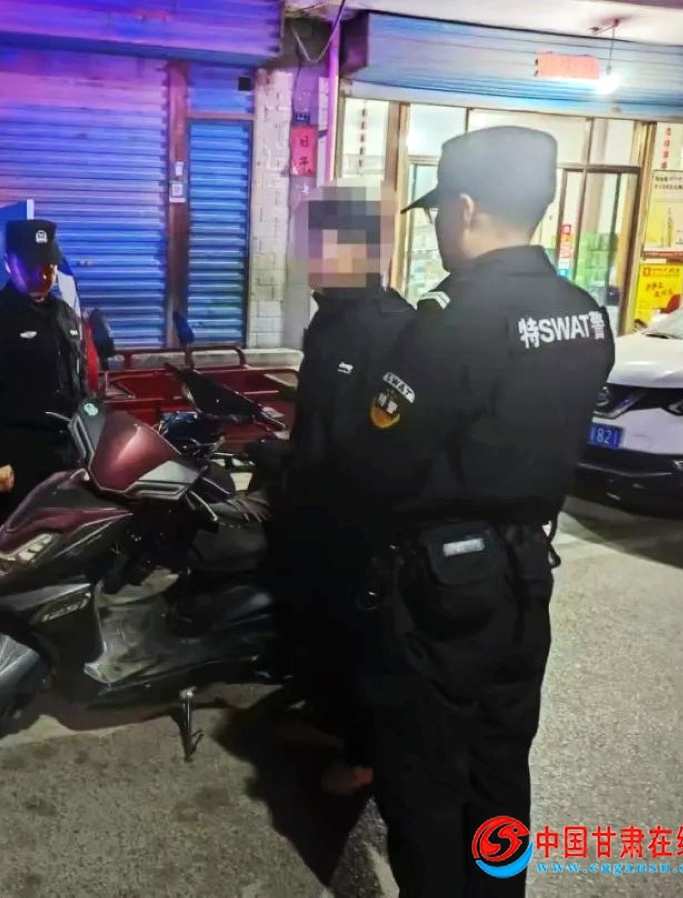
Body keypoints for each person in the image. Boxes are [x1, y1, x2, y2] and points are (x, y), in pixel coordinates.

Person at [343, 127, 615, 896]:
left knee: (426, 780)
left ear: (463, 209)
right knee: (501, 765)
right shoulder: (584, 313)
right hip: (527, 573)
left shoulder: (450, 320)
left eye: (439, 212)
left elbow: (379, 457)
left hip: (440, 590)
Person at [276, 182, 414, 795]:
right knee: (322, 629)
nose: (304, 255)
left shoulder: (394, 329)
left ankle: (365, 758)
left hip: (360, 522)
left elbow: (390, 442)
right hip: (315, 509)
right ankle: (330, 719)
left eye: (315, 243)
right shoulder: (328, 319)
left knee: (363, 641)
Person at [0, 219, 89, 526]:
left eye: (49, 266)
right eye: (31, 267)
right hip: (17, 460)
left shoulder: (65, 314)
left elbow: (79, 378)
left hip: (65, 453)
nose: (43, 275)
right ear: (9, 263)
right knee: (17, 540)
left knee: (62, 536)